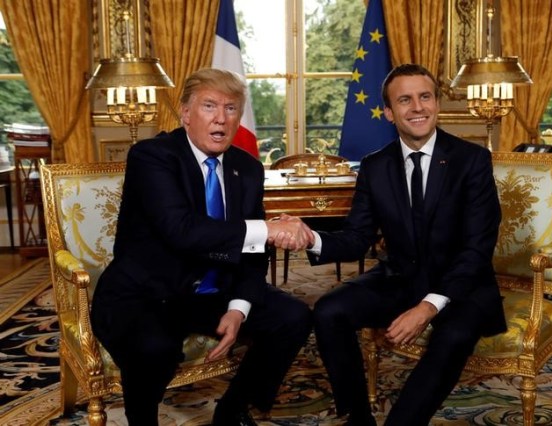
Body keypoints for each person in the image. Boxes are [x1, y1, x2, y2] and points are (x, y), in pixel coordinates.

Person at [90, 68, 314, 426]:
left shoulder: (248, 168)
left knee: (293, 317)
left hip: (211, 290)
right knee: (156, 350)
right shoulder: (152, 157)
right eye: (209, 106)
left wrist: (239, 309)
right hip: (146, 293)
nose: (221, 119)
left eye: (231, 109)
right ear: (185, 113)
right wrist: (268, 228)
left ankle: (233, 410)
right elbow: (183, 231)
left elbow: (254, 251)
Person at [305, 63, 507, 425]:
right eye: (405, 100)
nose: (417, 107)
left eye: (425, 97)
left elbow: (477, 248)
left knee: (452, 336)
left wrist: (428, 308)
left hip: (462, 287)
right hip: (400, 278)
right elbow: (357, 237)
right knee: (328, 311)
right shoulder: (374, 166)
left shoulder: (471, 160)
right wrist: (310, 237)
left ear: (436, 103)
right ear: (389, 112)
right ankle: (358, 418)